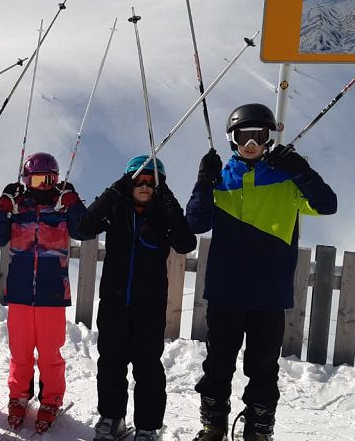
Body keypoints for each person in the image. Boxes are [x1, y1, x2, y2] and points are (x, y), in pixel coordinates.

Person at [185, 104, 337, 441]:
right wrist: (203, 182)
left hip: (268, 297)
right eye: (244, 136)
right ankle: (212, 426)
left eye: (259, 136)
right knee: (217, 365)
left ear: (269, 139)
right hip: (225, 294)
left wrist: (300, 170)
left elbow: (327, 204)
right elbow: (194, 223)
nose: (251, 144)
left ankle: (258, 430)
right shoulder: (222, 179)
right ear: (232, 140)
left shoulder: (285, 180)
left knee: (263, 369)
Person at [77, 156, 197, 441]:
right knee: (111, 363)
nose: (144, 186)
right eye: (138, 181)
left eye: (151, 182)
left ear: (159, 186)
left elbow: (185, 243)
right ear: (128, 183)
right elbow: (84, 227)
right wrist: (114, 190)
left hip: (149, 307)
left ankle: (147, 426)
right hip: (114, 303)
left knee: (148, 367)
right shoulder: (116, 209)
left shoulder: (163, 215)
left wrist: (170, 203)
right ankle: (112, 418)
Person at [0, 152, 91, 434]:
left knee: (49, 353)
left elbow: (84, 231)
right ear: (25, 180)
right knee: (20, 351)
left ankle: (51, 399)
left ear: (56, 180)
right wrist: (3, 208)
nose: (42, 186)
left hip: (52, 293)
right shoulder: (18, 208)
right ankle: (18, 395)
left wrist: (73, 202)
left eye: (48, 180)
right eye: (36, 180)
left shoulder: (62, 209)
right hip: (20, 292)